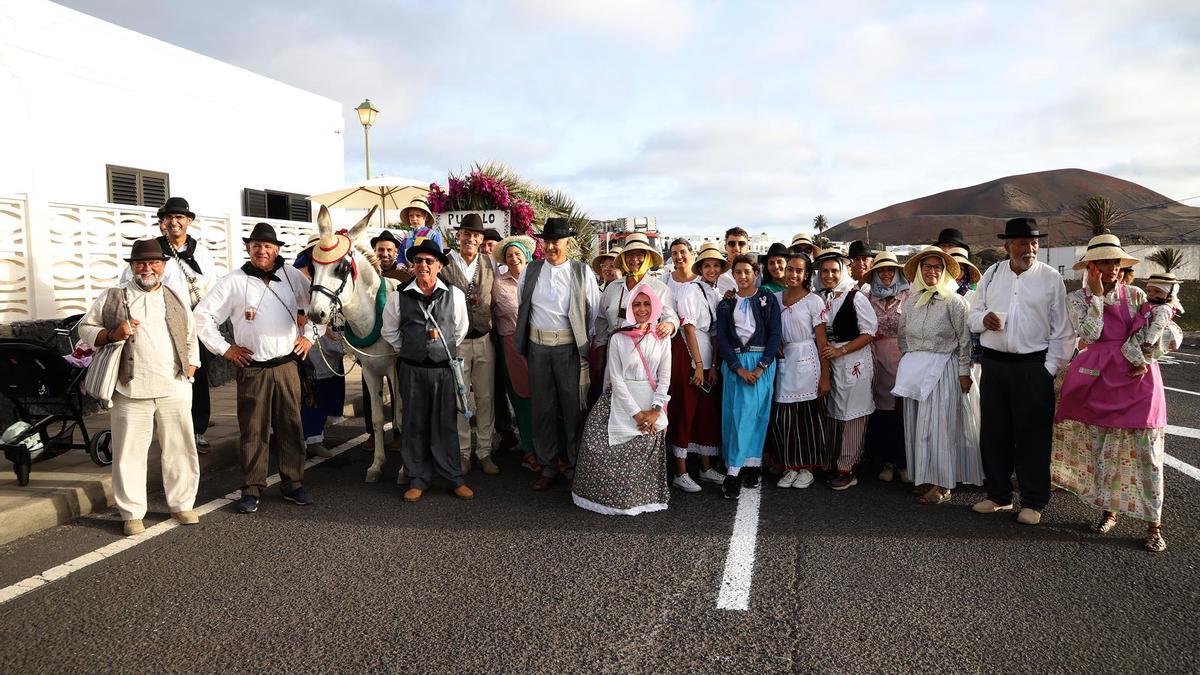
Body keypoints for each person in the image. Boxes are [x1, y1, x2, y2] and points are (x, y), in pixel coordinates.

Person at [1052, 235, 1168, 551]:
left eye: (1115, 262)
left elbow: (1153, 332)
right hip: (1100, 379)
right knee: (1106, 449)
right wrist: (1099, 299)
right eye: (1104, 262)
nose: (1112, 268)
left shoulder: (1136, 295)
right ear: (1090, 266)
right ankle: (1110, 510)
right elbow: (1088, 335)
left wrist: (1145, 357)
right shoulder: (1077, 299)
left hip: (1138, 377)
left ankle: (1153, 524)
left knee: (1148, 453)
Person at [194, 222, 317, 514]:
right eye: (257, 246)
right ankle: (251, 488)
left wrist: (310, 337)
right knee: (253, 430)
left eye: (268, 246)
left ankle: (293, 483)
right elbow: (202, 316)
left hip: (287, 366)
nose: (262, 250)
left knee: (291, 426)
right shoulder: (233, 281)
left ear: (276, 250)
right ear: (249, 249)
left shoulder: (292, 277)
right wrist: (225, 348)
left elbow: (319, 306)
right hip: (252, 369)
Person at [79, 239, 201, 535]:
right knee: (129, 453)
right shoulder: (113, 296)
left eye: (153, 263)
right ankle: (132, 513)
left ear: (163, 265)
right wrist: (111, 333)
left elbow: (190, 334)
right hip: (130, 388)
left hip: (174, 386)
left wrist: (192, 366)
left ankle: (182, 503)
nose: (147, 268)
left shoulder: (174, 295)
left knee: (180, 449)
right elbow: (85, 328)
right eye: (140, 263)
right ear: (132, 267)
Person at [968, 217, 1073, 525]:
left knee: (1033, 437)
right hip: (995, 364)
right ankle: (998, 496)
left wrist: (1049, 369)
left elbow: (1063, 329)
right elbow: (973, 312)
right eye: (1023, 243)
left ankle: (1033, 501)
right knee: (994, 433)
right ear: (1008, 246)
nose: (1030, 249)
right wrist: (983, 319)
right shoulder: (992, 273)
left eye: (1034, 243)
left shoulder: (1050, 277)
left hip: (1032, 367)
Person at [120, 197, 216, 453]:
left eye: (180, 218)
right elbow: (126, 283)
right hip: (157, 323)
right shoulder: (151, 251)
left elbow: (212, 289)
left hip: (192, 324)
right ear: (162, 223)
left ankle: (197, 429)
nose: (174, 222)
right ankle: (161, 424)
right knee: (161, 372)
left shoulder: (202, 252)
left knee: (197, 374)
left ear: (189, 221)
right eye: (169, 218)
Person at [381, 239, 474, 502]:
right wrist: (411, 348)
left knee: (446, 424)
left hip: (443, 370)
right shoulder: (399, 295)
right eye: (419, 260)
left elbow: (459, 330)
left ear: (440, 265)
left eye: (429, 261)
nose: (423, 265)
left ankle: (453, 477)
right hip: (412, 370)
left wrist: (437, 352)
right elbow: (389, 330)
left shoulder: (454, 294)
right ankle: (417, 478)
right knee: (414, 424)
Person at [513, 217, 602, 490]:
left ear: (567, 242)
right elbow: (522, 304)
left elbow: (593, 311)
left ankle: (574, 465)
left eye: (556, 241)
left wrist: (580, 344)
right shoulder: (531, 270)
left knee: (572, 408)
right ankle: (548, 466)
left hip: (568, 348)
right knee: (542, 408)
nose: (551, 246)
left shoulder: (582, 271)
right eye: (547, 241)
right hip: (538, 347)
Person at [572, 287, 673, 515]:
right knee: (597, 443)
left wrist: (655, 410)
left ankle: (643, 497)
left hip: (651, 401)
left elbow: (664, 377)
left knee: (647, 442)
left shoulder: (662, 338)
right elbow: (616, 378)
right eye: (637, 304)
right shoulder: (618, 337)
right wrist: (637, 413)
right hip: (621, 398)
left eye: (647, 304)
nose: (642, 309)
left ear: (655, 307)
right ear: (629, 308)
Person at [893, 247, 981, 504]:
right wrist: (909, 364)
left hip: (944, 369)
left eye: (937, 267)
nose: (932, 271)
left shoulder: (954, 301)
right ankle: (925, 477)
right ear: (920, 271)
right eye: (927, 267)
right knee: (919, 426)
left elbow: (966, 340)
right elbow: (903, 336)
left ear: (944, 272)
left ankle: (942, 485)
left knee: (940, 428)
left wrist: (965, 372)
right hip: (916, 370)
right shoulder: (911, 300)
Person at [716, 255, 782, 500]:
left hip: (760, 364)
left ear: (755, 273)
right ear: (732, 275)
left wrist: (762, 366)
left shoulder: (767, 298)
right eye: (738, 272)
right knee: (735, 416)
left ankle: (751, 465)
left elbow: (775, 333)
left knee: (757, 414)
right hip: (736, 365)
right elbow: (722, 339)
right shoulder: (725, 304)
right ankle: (734, 470)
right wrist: (737, 368)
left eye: (747, 272)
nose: (743, 277)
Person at [440, 213, 499, 476]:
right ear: (458, 236)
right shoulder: (445, 263)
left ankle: (484, 451)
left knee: (485, 397)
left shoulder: (490, 263)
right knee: (460, 399)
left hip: (485, 338)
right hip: (458, 342)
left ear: (481, 239)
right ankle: (463, 452)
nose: (471, 239)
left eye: (476, 235)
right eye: (466, 233)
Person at [814, 249, 877, 490]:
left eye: (834, 271)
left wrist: (841, 351)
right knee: (833, 411)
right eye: (825, 271)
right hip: (831, 361)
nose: (829, 275)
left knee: (853, 413)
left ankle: (847, 467)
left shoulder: (855, 296)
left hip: (853, 360)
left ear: (842, 271)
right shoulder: (820, 296)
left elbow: (869, 332)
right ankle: (831, 460)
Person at [666, 242, 726, 491]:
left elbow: (713, 331)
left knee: (704, 410)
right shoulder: (692, 290)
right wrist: (699, 364)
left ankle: (705, 466)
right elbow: (688, 327)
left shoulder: (711, 291)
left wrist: (712, 365)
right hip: (688, 353)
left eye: (715, 266)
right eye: (707, 265)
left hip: (705, 353)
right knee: (686, 407)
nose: (711, 270)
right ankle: (680, 471)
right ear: (699, 266)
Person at [766, 252, 830, 489]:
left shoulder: (814, 301)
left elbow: (822, 342)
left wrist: (826, 376)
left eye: (799, 271)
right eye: (790, 269)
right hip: (784, 360)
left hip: (807, 359)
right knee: (784, 418)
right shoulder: (774, 299)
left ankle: (807, 467)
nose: (793, 274)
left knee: (808, 417)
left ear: (806, 274)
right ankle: (790, 465)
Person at [594, 233, 679, 379]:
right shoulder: (612, 288)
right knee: (615, 394)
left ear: (647, 258)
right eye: (630, 255)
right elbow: (601, 321)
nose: (634, 259)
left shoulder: (659, 288)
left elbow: (671, 317)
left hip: (647, 355)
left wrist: (669, 325)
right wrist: (600, 353)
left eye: (640, 254)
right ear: (624, 259)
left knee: (643, 393)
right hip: (614, 354)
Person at [862, 252, 911, 483]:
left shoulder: (909, 295)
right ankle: (886, 462)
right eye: (882, 271)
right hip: (875, 356)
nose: (887, 274)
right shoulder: (866, 296)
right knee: (881, 411)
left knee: (901, 410)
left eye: (891, 270)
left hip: (903, 357)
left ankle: (903, 462)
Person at [492, 234, 539, 471]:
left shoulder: (537, 279)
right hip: (510, 342)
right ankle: (529, 447)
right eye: (509, 255)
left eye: (517, 254)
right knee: (521, 396)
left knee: (542, 395)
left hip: (537, 342)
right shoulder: (498, 282)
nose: (513, 258)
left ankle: (545, 446)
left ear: (527, 256)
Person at [360, 229, 407, 450]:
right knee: (369, 389)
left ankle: (399, 432)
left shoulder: (404, 276)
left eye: (389, 249)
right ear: (375, 252)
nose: (385, 253)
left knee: (399, 389)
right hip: (369, 344)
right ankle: (372, 432)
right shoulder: (365, 278)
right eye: (381, 250)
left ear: (396, 252)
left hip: (394, 346)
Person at [1124, 272, 1184, 376]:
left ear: (1169, 293)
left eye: (1157, 291)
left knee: (1127, 348)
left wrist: (1149, 340)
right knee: (1131, 348)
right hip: (1143, 332)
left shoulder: (1164, 309)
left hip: (1147, 336)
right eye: (1149, 291)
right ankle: (1140, 364)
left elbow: (1158, 325)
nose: (1151, 294)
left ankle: (1141, 366)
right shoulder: (1153, 305)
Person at [717, 227, 752, 294]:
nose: (736, 248)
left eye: (741, 244)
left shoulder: (757, 273)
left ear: (748, 247)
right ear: (725, 247)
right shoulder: (716, 272)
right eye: (732, 244)